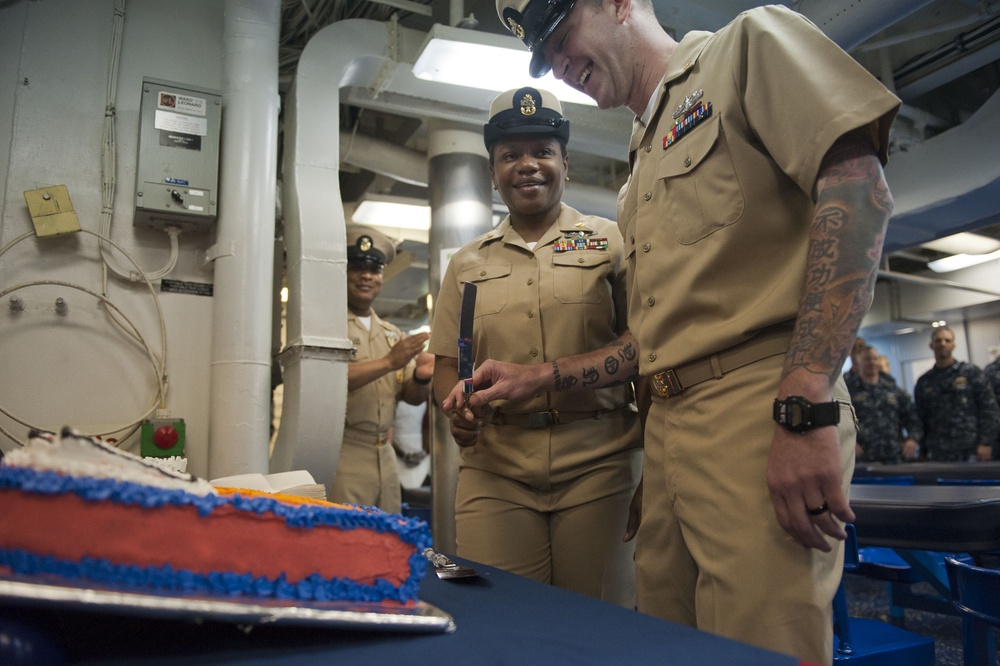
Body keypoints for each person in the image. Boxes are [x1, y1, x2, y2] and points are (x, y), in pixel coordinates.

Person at [444, 2, 901, 662]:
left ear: (619, 4)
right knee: (668, 645)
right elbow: (650, 340)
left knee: (760, 642)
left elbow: (859, 187)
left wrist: (804, 403)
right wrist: (549, 384)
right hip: (664, 437)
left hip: (758, 408)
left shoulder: (744, 49)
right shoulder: (638, 174)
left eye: (564, 33)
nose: (562, 62)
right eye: (548, 53)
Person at [428, 87, 643, 608]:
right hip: (495, 470)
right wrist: (456, 407)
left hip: (601, 465)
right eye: (510, 155)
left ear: (566, 162)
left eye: (542, 152)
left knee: (598, 627)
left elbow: (645, 346)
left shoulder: (611, 242)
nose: (528, 165)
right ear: (493, 172)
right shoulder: (466, 263)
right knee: (501, 621)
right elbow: (443, 369)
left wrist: (653, 469)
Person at [336, 224, 434, 512]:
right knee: (347, 543)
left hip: (385, 455)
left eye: (375, 270)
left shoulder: (392, 334)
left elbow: (411, 397)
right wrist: (389, 362)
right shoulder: (329, 328)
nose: (367, 276)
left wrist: (421, 376)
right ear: (343, 271)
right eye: (357, 268)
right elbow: (329, 383)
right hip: (345, 452)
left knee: (389, 543)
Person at [914, 326, 1000, 462]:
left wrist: (986, 442)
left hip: (971, 450)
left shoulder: (971, 373)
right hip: (938, 452)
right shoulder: (924, 382)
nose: (943, 344)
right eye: (938, 340)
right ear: (931, 345)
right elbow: (921, 418)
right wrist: (922, 450)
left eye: (947, 340)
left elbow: (989, 410)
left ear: (953, 345)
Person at [846, 346, 921, 463]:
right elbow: (839, 422)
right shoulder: (848, 391)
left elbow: (912, 416)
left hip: (893, 456)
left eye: (875, 359)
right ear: (858, 361)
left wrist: (912, 439)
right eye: (867, 359)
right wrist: (848, 442)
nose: (872, 362)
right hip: (862, 458)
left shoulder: (892, 389)